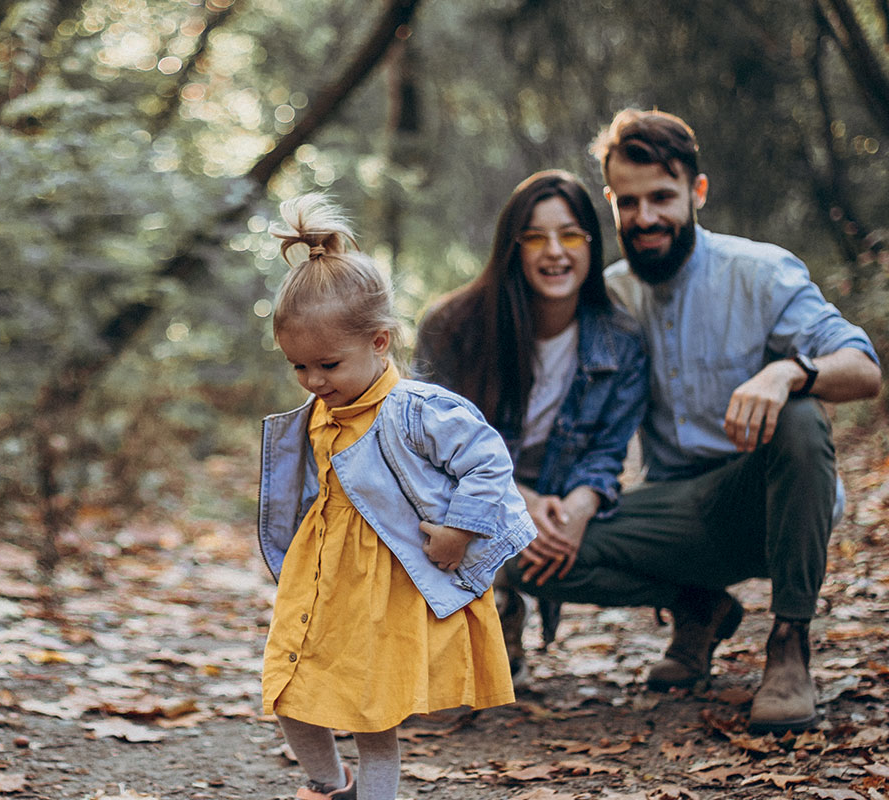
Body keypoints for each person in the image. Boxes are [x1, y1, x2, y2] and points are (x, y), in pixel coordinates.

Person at [506, 109, 881, 734]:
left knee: (800, 417)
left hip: (769, 502)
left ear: (696, 193)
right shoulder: (611, 294)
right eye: (630, 202)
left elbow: (864, 368)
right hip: (675, 509)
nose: (646, 218)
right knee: (526, 555)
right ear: (612, 203)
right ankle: (699, 606)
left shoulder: (760, 272)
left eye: (662, 197)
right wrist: (543, 501)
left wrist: (787, 372)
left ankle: (789, 643)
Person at [257, 194, 536, 800]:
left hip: (384, 586)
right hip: (321, 581)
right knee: (286, 688)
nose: (312, 381)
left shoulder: (415, 411)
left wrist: (461, 529)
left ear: (381, 341)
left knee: (371, 714)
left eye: (327, 364)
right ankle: (330, 785)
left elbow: (489, 463)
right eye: (298, 366)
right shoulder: (317, 411)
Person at [413, 170, 649, 685]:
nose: (555, 252)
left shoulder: (623, 341)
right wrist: (513, 500)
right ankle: (479, 614)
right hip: (467, 500)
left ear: (591, 242)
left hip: (561, 504)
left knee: (643, 537)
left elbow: (609, 454)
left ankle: (697, 607)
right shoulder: (454, 326)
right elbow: (425, 447)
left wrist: (581, 508)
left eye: (570, 235)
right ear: (512, 247)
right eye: (536, 237)